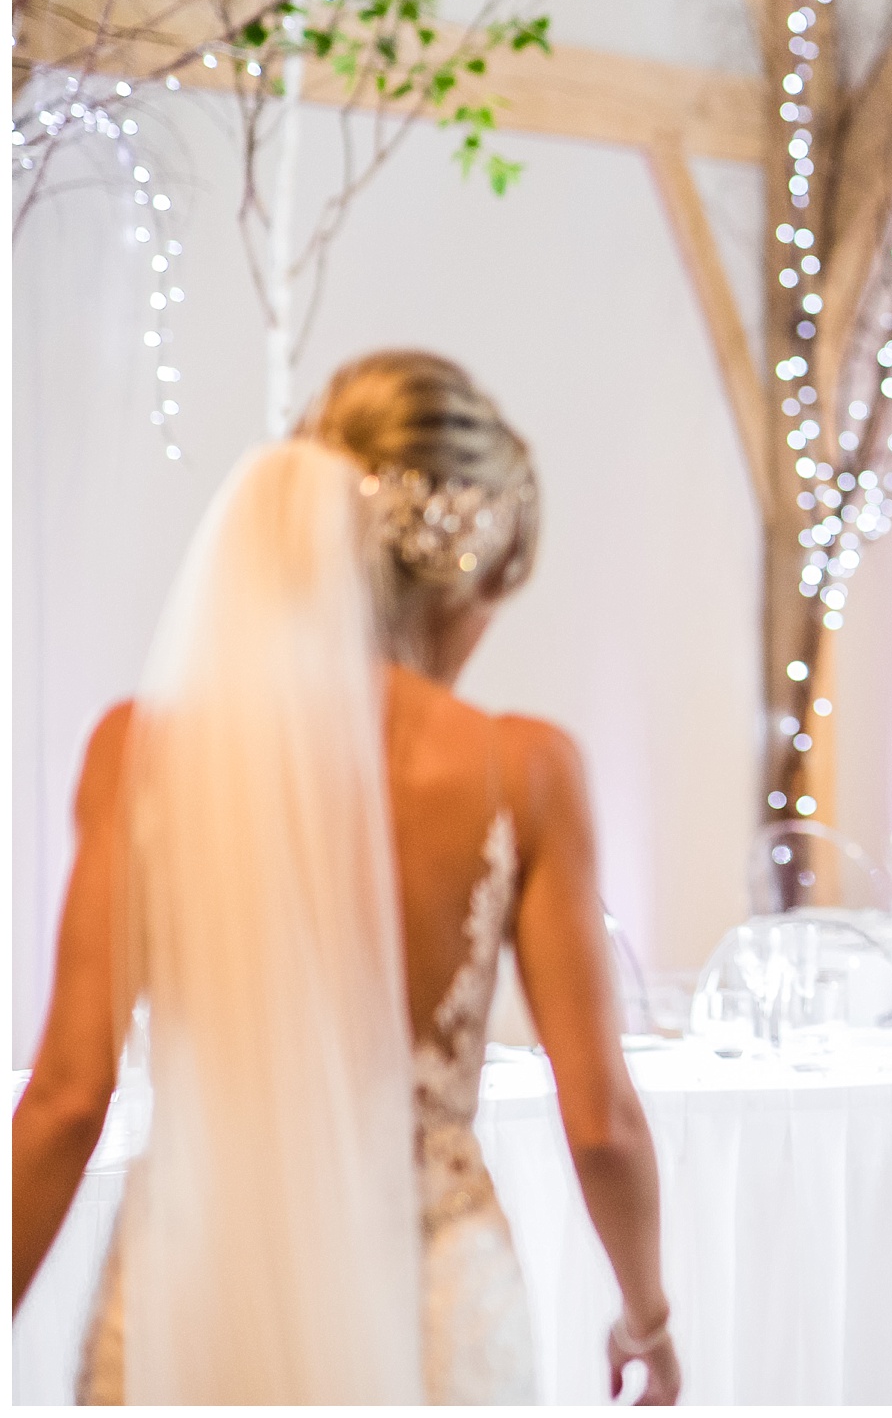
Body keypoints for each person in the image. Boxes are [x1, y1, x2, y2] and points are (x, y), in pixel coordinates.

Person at [11, 352, 680, 1404]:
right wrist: (648, 1315)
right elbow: (601, 1122)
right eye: (495, 594)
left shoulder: (139, 748)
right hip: (432, 1301)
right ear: (465, 569)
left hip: (193, 1297)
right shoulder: (525, 768)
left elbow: (63, 1097)